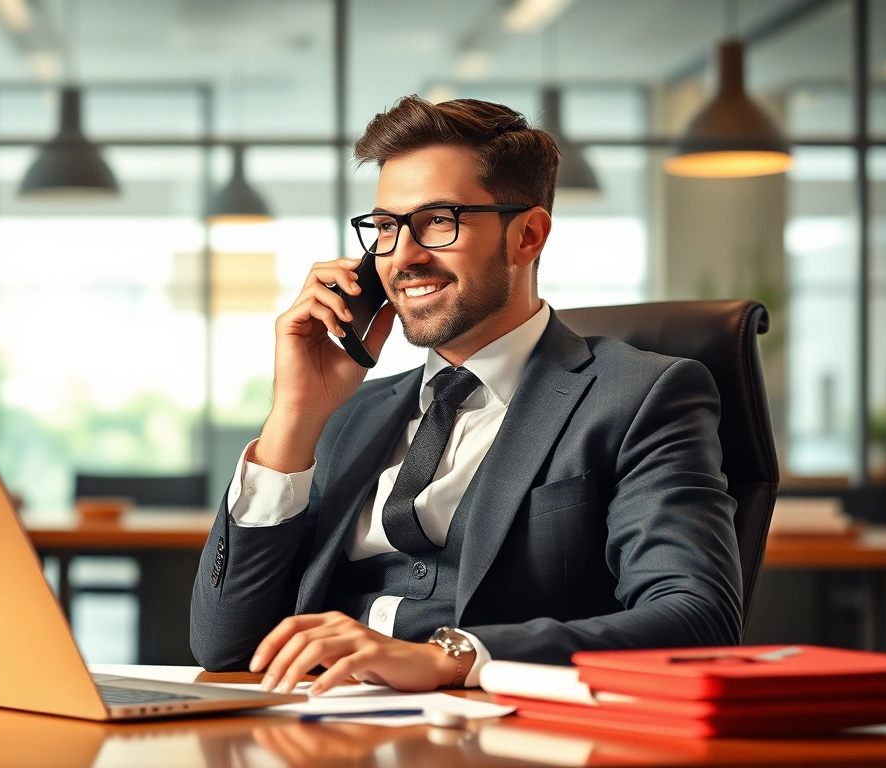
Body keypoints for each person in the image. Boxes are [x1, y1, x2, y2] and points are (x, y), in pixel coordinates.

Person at [189, 96, 742, 696]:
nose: (403, 256)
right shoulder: (353, 414)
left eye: (438, 221)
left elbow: (699, 619)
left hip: (492, 735)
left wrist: (457, 658)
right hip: (321, 728)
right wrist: (294, 416)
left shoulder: (640, 395)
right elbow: (225, 645)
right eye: (385, 228)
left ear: (527, 235)